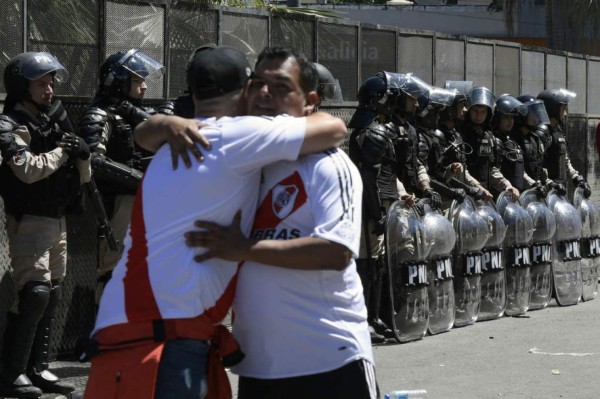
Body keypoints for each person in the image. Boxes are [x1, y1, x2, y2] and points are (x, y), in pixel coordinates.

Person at [84, 45, 347, 399]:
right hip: (162, 337)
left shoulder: (171, 143)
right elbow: (333, 128)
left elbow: (142, 134)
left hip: (142, 329)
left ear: (192, 93)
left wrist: (165, 122)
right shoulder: (236, 136)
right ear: (246, 90)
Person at [185, 46, 377, 399]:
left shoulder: (328, 166)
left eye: (280, 87)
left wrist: (244, 248)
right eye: (257, 84)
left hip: (330, 364)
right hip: (257, 367)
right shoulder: (242, 164)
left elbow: (335, 251)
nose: (264, 95)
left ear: (311, 101)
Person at [0, 52, 91, 398]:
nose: (49, 89)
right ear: (22, 85)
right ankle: (12, 373)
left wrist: (82, 154)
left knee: (51, 294)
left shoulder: (52, 121)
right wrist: (64, 153)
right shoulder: (9, 124)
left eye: (51, 82)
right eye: (42, 82)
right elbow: (27, 170)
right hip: (29, 222)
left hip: (57, 218)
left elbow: (81, 176)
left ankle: (38, 368)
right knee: (34, 294)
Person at [77, 49, 164, 302]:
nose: (145, 87)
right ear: (119, 82)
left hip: (142, 200)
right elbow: (95, 160)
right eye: (138, 81)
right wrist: (139, 180)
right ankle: (107, 335)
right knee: (113, 271)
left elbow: (161, 135)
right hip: (117, 203)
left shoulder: (130, 112)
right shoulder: (99, 114)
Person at [460, 86, 520, 199]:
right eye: (475, 111)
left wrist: (506, 185)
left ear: (488, 113)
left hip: (485, 195)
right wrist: (477, 187)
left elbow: (492, 169)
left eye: (483, 112)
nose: (479, 116)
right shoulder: (461, 134)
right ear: (469, 110)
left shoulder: (489, 136)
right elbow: (460, 170)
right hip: (466, 195)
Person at [537, 88, 592, 198]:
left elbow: (564, 159)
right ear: (552, 109)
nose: (566, 113)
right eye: (563, 109)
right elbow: (535, 166)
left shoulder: (557, 130)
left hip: (559, 190)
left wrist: (576, 178)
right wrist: (548, 182)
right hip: (545, 193)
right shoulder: (542, 133)